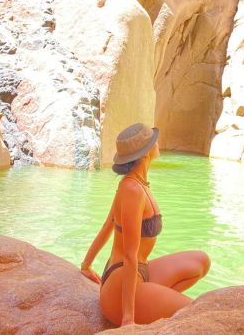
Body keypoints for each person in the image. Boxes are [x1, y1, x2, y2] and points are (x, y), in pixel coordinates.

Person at [80, 123, 210, 326]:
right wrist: (128, 319)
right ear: (146, 152)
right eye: (153, 141)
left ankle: (153, 304)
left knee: (201, 262)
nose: (157, 143)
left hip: (140, 272)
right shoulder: (132, 190)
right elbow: (130, 255)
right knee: (197, 314)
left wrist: (86, 265)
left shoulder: (136, 183)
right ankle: (141, 309)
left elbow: (107, 225)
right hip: (120, 286)